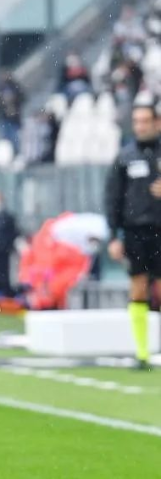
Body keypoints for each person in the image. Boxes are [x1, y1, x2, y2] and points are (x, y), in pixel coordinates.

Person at [106, 103, 161, 370]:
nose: (140, 126)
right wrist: (113, 235)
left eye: (145, 121)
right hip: (135, 232)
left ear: (157, 122)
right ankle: (142, 353)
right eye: (137, 121)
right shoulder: (125, 156)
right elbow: (113, 198)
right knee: (138, 287)